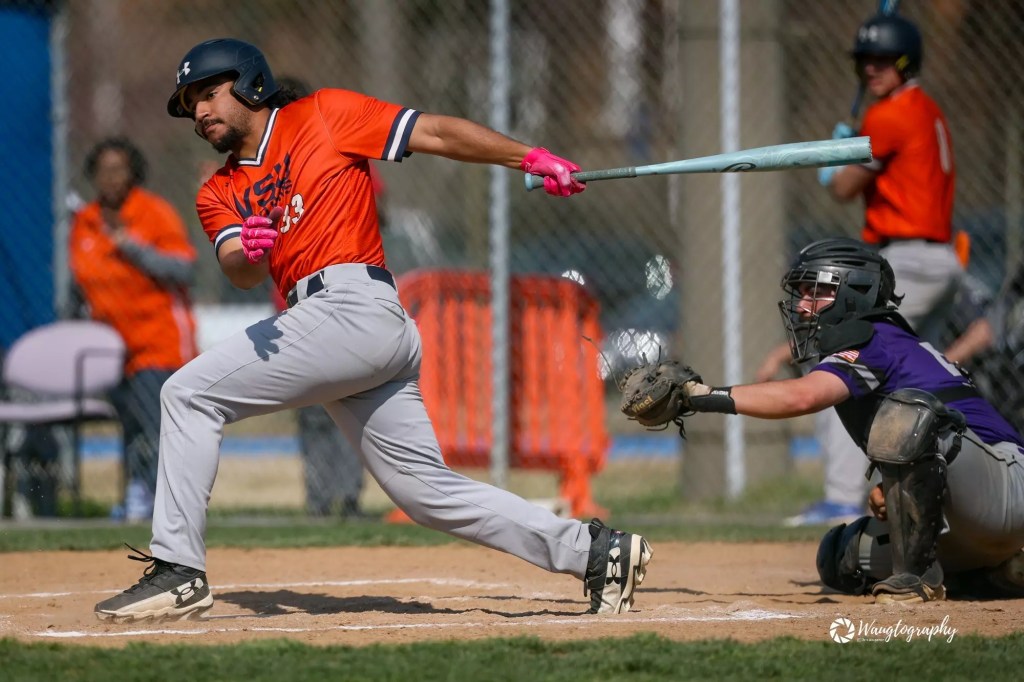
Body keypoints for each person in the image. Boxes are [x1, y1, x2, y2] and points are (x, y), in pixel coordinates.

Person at [94, 38, 651, 621]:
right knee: (426, 494)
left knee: (186, 393)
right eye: (191, 103)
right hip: (331, 328)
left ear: (250, 84)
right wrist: (252, 254)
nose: (201, 111)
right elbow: (237, 267)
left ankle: (179, 569)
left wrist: (527, 157)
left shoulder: (323, 113)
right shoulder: (218, 190)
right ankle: (596, 553)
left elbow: (433, 132)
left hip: (355, 306)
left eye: (209, 93)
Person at [629, 238, 1024, 602]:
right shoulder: (874, 341)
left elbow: (802, 396)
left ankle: (916, 578)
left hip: (1007, 484)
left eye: (816, 291)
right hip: (976, 506)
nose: (802, 305)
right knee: (842, 558)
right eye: (801, 293)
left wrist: (699, 396)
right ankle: (995, 573)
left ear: (855, 293)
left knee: (908, 418)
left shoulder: (876, 338)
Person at [765, 13, 962, 527]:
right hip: (936, 259)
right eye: (864, 62)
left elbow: (844, 187)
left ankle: (838, 497)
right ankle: (943, 497)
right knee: (922, 382)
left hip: (907, 261)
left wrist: (840, 155)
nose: (871, 70)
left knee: (840, 360)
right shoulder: (924, 108)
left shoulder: (890, 115)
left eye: (883, 60)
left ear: (906, 62)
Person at [69, 137, 198, 522]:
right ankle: (138, 496)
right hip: (112, 347)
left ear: (133, 174)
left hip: (157, 340)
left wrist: (133, 247)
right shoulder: (85, 222)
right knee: (129, 428)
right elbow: (79, 284)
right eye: (103, 170)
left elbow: (183, 269)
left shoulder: (152, 213)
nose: (110, 179)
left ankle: (167, 504)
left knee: (155, 426)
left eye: (119, 170)